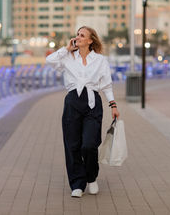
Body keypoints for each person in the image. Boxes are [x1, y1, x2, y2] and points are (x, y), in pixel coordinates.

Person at [46, 26, 120, 198]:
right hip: (72, 102)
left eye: (82, 35)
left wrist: (113, 105)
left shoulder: (100, 60)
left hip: (93, 103)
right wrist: (66, 49)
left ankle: (91, 177)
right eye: (77, 35)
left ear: (90, 40)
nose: (77, 37)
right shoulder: (68, 57)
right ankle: (77, 184)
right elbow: (49, 60)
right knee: (72, 145)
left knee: (89, 144)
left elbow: (106, 85)